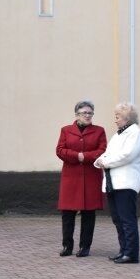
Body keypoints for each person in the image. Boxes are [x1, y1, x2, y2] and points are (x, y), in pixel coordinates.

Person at [94, 102, 140, 264]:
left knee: (127, 219)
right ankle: (123, 250)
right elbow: (106, 155)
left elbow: (127, 155)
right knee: (117, 219)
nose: (115, 120)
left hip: (126, 183)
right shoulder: (118, 135)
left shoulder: (135, 133)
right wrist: (99, 161)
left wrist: (106, 162)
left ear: (126, 118)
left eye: (117, 117)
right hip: (113, 183)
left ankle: (131, 254)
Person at [55, 101, 107, 257]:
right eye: (84, 112)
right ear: (76, 114)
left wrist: (85, 157)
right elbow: (60, 150)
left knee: (89, 214)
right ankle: (67, 246)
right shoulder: (66, 130)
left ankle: (85, 246)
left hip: (91, 177)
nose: (87, 115)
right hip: (71, 177)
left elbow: (103, 150)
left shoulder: (99, 131)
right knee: (68, 214)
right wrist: (76, 156)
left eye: (90, 113)